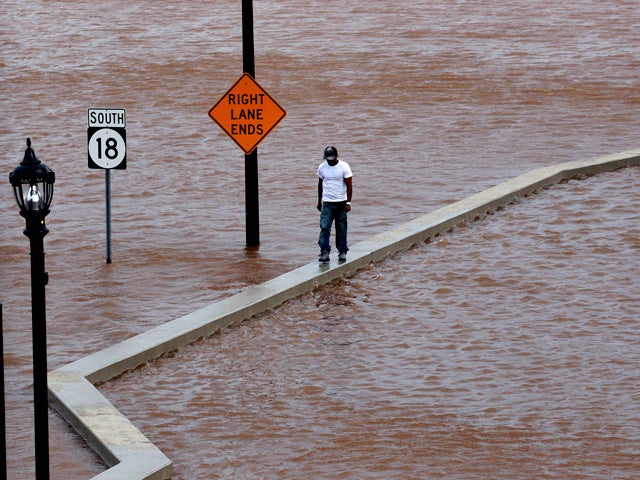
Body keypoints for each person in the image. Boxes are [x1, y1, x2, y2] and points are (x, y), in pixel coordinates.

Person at [317, 145, 353, 263]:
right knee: (324, 227)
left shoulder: (344, 166)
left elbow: (349, 185)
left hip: (341, 203)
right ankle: (324, 251)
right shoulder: (322, 167)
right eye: (328, 159)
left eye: (332, 158)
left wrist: (348, 202)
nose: (330, 161)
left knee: (341, 228)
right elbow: (320, 184)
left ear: (337, 156)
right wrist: (319, 201)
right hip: (327, 203)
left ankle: (342, 251)